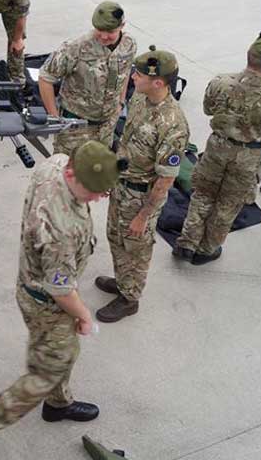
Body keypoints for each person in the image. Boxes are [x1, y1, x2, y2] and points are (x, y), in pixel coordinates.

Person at [0, 141, 124, 453]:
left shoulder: (55, 164)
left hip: (32, 283)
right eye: (95, 191)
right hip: (47, 303)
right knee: (46, 372)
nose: (100, 198)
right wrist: (84, 314)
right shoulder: (58, 231)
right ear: (73, 173)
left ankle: (58, 405)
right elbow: (60, 290)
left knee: (63, 353)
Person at [173, 32, 261, 265]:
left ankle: (187, 243)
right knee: (228, 203)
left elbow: (207, 109)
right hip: (248, 155)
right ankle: (207, 249)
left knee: (203, 194)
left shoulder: (220, 83)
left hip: (217, 147)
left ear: (248, 56)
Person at [96, 46, 189, 323]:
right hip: (122, 185)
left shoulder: (173, 124)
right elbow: (125, 143)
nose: (133, 77)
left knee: (136, 248)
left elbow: (166, 178)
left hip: (141, 197)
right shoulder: (140, 96)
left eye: (139, 74)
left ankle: (130, 297)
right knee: (115, 237)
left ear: (158, 82)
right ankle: (123, 280)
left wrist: (144, 216)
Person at [39, 1, 137, 156]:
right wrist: (54, 117)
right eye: (99, 30)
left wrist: (120, 101)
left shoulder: (128, 45)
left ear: (122, 26)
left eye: (110, 31)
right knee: (68, 173)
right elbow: (45, 77)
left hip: (107, 126)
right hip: (75, 127)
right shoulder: (76, 47)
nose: (104, 36)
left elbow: (124, 73)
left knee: (98, 170)